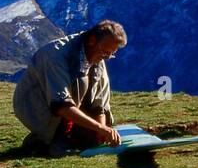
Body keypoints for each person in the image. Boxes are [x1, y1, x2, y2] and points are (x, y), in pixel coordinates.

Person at [13, 20, 126, 155]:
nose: (106, 58)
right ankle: (49, 139)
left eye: (110, 54)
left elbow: (99, 104)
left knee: (93, 138)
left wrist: (101, 132)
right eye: (105, 52)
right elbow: (61, 104)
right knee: (58, 143)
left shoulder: (98, 56)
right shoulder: (55, 56)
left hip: (70, 106)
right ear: (92, 41)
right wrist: (101, 128)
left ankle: (63, 138)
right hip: (37, 108)